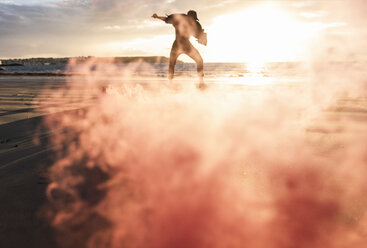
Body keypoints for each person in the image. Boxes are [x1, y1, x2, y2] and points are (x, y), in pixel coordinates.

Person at [152, 10, 207, 87]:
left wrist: (202, 39)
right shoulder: (181, 21)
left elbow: (167, 19)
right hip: (182, 45)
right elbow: (167, 19)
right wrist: (157, 17)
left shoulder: (189, 23)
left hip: (182, 45)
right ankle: (171, 83)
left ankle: (201, 82)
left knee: (199, 61)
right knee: (172, 63)